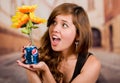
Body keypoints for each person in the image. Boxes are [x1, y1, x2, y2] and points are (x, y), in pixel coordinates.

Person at [17, 3, 101, 83]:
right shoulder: (43, 55)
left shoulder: (91, 64)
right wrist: (30, 67)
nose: (55, 29)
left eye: (64, 25)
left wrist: (45, 71)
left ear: (78, 35)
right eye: (54, 22)